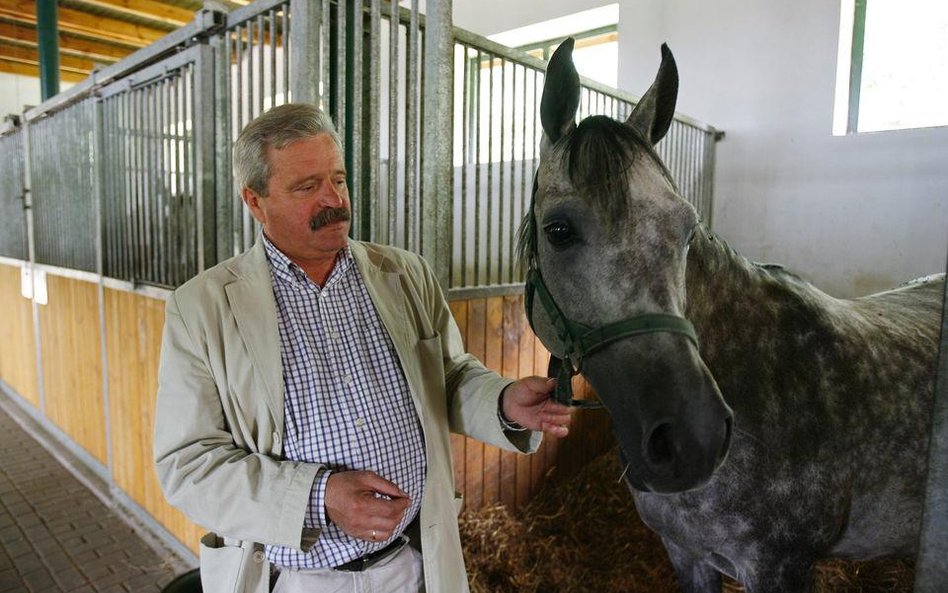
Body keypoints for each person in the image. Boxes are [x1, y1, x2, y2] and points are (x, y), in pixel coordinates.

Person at [153, 103, 573, 593]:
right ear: (255, 201)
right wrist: (320, 495)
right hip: (298, 578)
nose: (334, 200)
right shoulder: (202, 307)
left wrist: (502, 402)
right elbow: (187, 465)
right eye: (307, 187)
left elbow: (450, 376)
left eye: (339, 179)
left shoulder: (405, 274)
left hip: (413, 564)